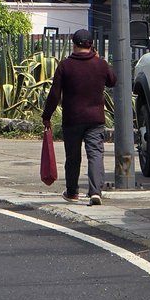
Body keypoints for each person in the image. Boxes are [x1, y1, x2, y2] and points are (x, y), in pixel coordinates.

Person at [42, 28, 117, 206]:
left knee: (73, 157)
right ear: (91, 45)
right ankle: (95, 192)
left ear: (73, 45)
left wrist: (47, 115)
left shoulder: (65, 66)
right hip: (95, 119)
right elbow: (113, 81)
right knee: (95, 154)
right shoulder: (100, 64)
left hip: (72, 119)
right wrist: (99, 60)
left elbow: (54, 94)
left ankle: (73, 192)